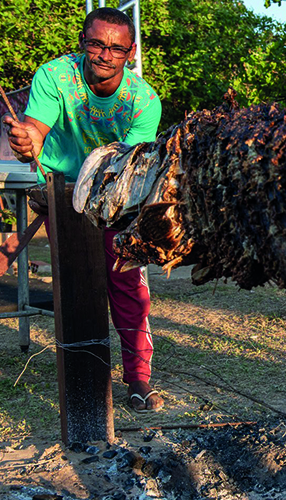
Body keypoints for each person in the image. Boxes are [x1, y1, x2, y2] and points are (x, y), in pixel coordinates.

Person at [2, 8, 164, 412]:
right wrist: (27, 142)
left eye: (116, 48)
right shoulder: (54, 76)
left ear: (130, 51)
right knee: (75, 287)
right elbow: (35, 134)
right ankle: (83, 382)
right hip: (61, 189)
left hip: (114, 191)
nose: (104, 54)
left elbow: (129, 169)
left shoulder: (144, 102)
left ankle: (138, 379)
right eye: (96, 43)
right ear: (82, 43)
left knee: (127, 284)